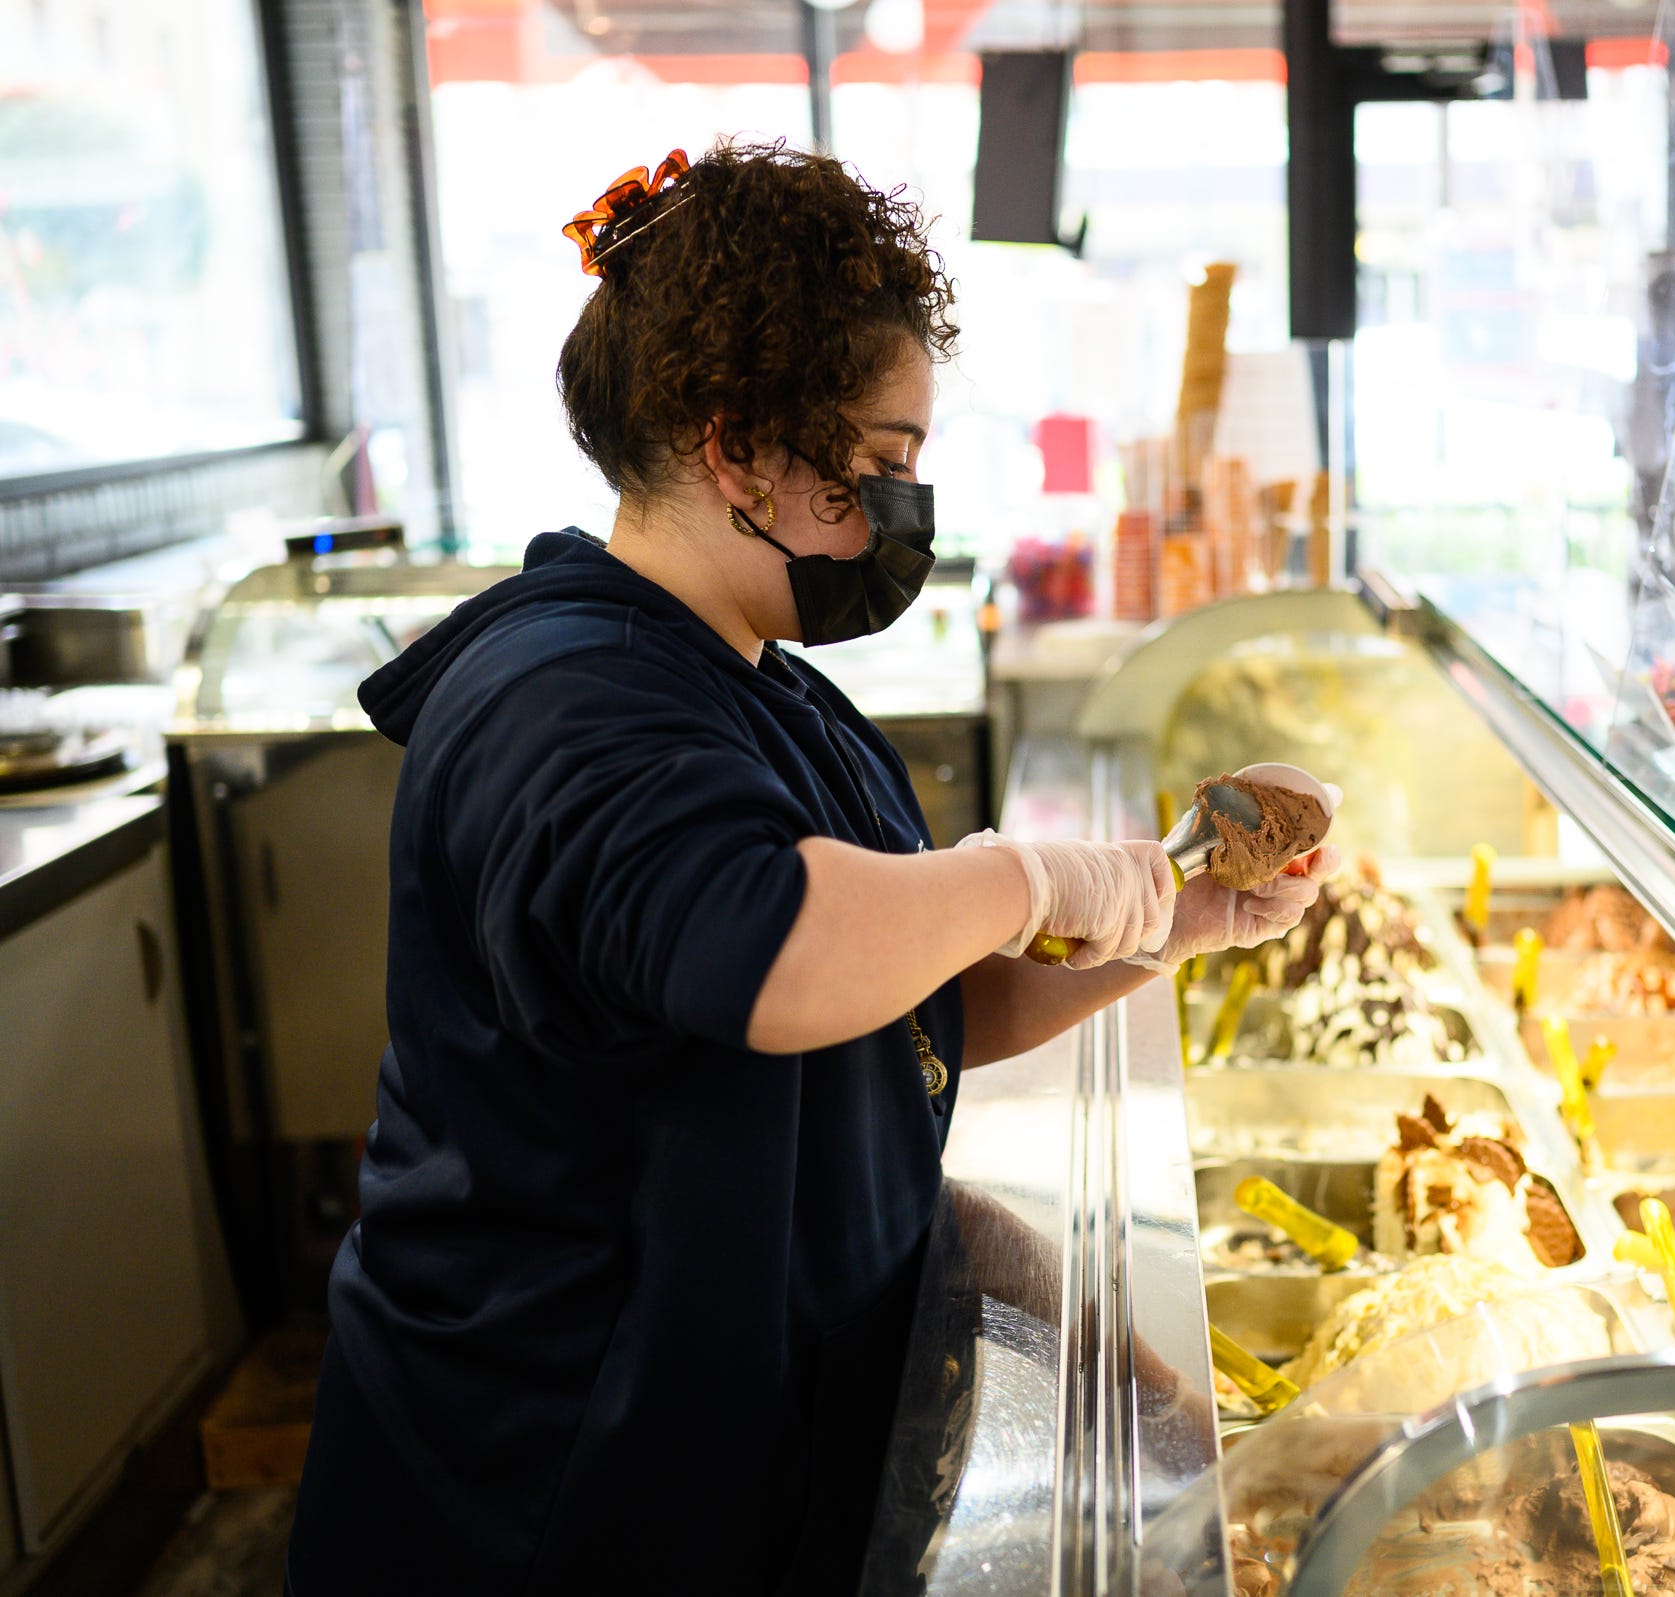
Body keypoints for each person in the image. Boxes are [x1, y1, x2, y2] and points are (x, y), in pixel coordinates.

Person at [286, 141, 1335, 1596]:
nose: (907, 509)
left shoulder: (761, 682)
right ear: (736, 448)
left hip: (731, 1466)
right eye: (884, 464)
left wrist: (1183, 912)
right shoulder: (559, 696)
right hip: (543, 1509)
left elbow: (920, 1003)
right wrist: (1029, 875)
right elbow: (770, 949)